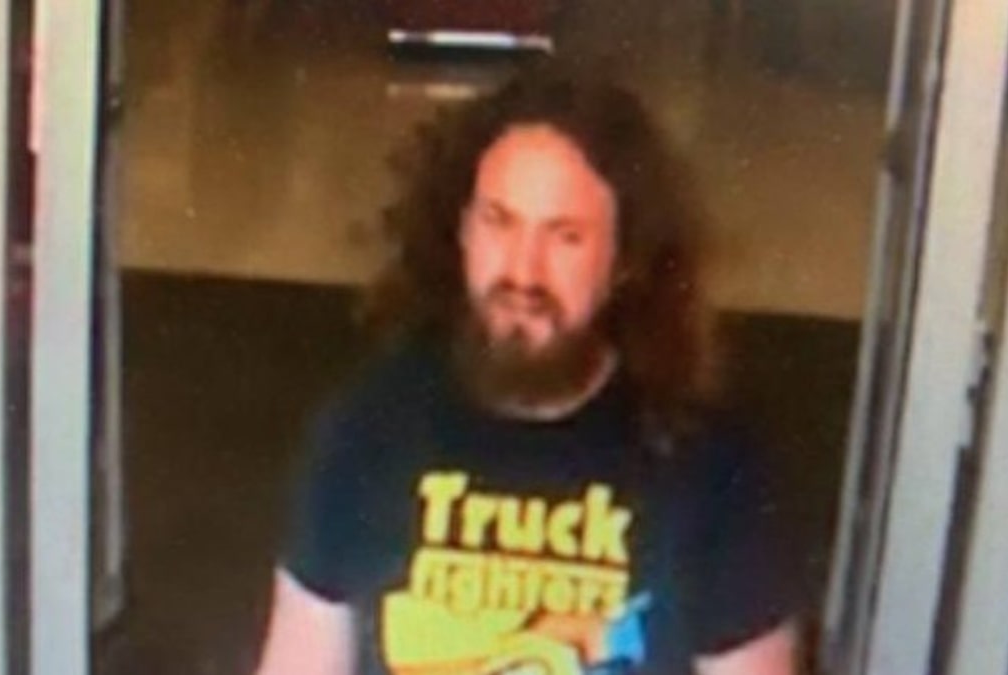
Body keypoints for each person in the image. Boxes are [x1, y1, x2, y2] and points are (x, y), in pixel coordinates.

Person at [256, 65, 802, 675]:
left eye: (565, 237)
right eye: (499, 221)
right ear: (462, 231)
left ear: (623, 260)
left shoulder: (712, 462)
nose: (523, 271)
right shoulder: (368, 427)